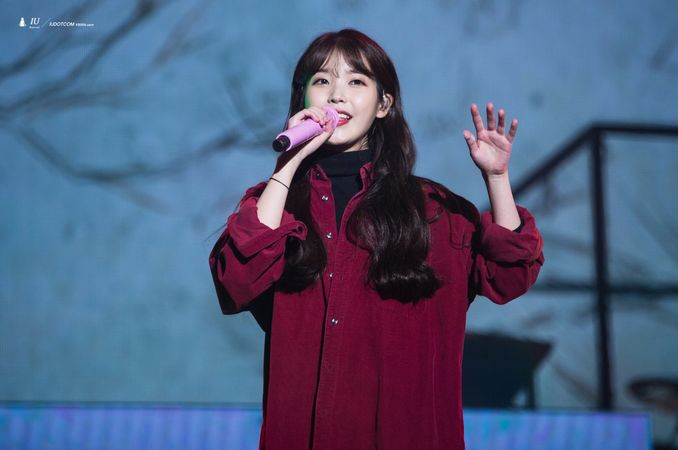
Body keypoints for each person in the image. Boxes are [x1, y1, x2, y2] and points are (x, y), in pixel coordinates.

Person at [208, 28, 544, 450]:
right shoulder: (275, 207)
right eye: (322, 80)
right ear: (303, 99)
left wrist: (497, 179)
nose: (337, 95)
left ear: (383, 104)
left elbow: (510, 275)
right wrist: (288, 165)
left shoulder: (434, 211)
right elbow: (234, 282)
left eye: (356, 81)